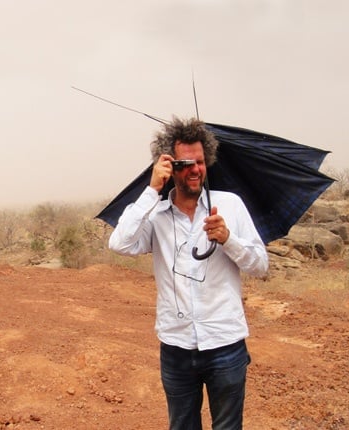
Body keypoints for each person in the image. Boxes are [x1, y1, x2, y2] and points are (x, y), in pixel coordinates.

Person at [108, 117, 268, 430]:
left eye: (200, 162)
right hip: (177, 348)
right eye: (185, 163)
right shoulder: (156, 215)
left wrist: (228, 240)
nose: (195, 170)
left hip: (225, 344)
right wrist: (152, 189)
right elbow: (119, 243)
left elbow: (261, 266)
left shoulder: (230, 206)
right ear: (168, 165)